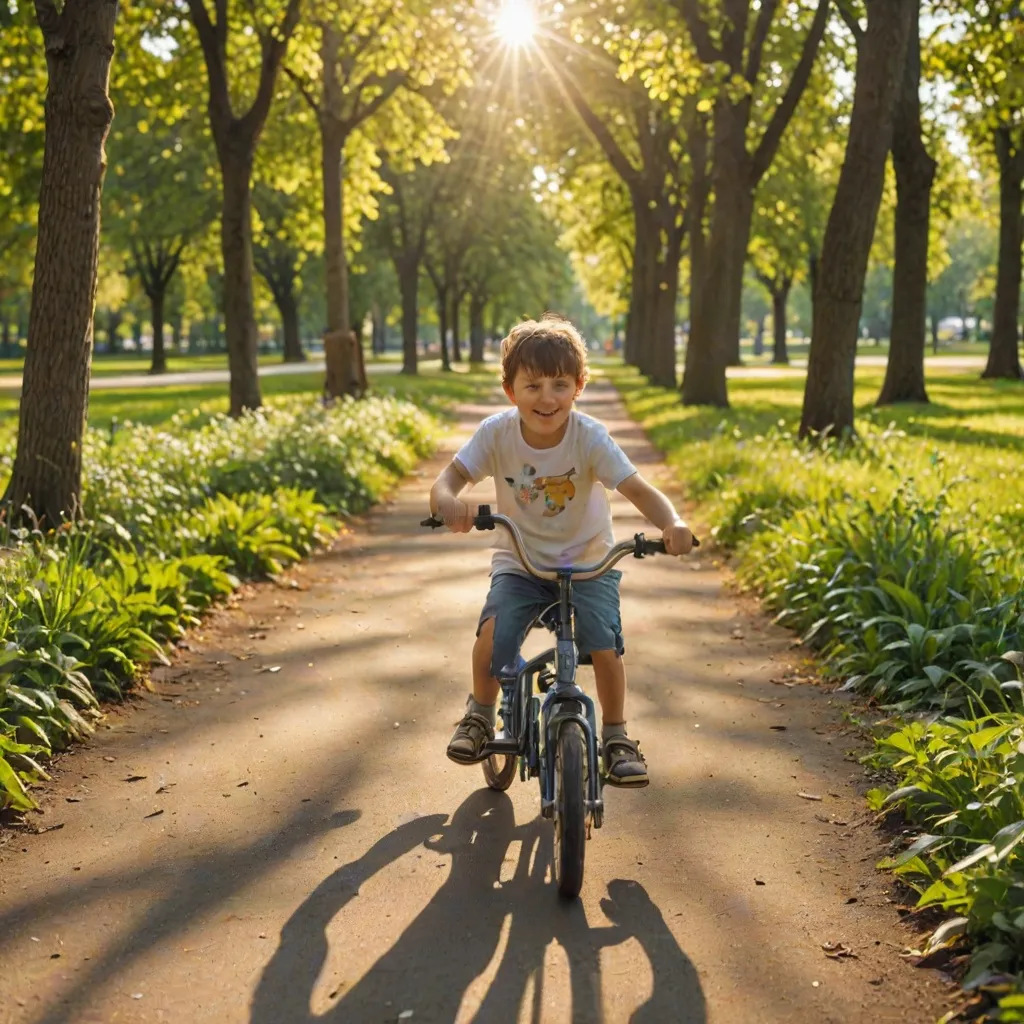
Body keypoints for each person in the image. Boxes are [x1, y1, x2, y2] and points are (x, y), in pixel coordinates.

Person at [428, 314, 694, 787]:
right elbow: (449, 479)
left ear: (578, 387)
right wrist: (448, 501)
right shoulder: (496, 434)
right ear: (510, 390)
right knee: (493, 635)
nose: (546, 398)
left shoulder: (589, 437)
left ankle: (615, 736)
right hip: (522, 563)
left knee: (605, 647)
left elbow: (639, 489)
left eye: (559, 385)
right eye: (532, 386)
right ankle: (480, 714)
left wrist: (671, 522)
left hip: (589, 562)